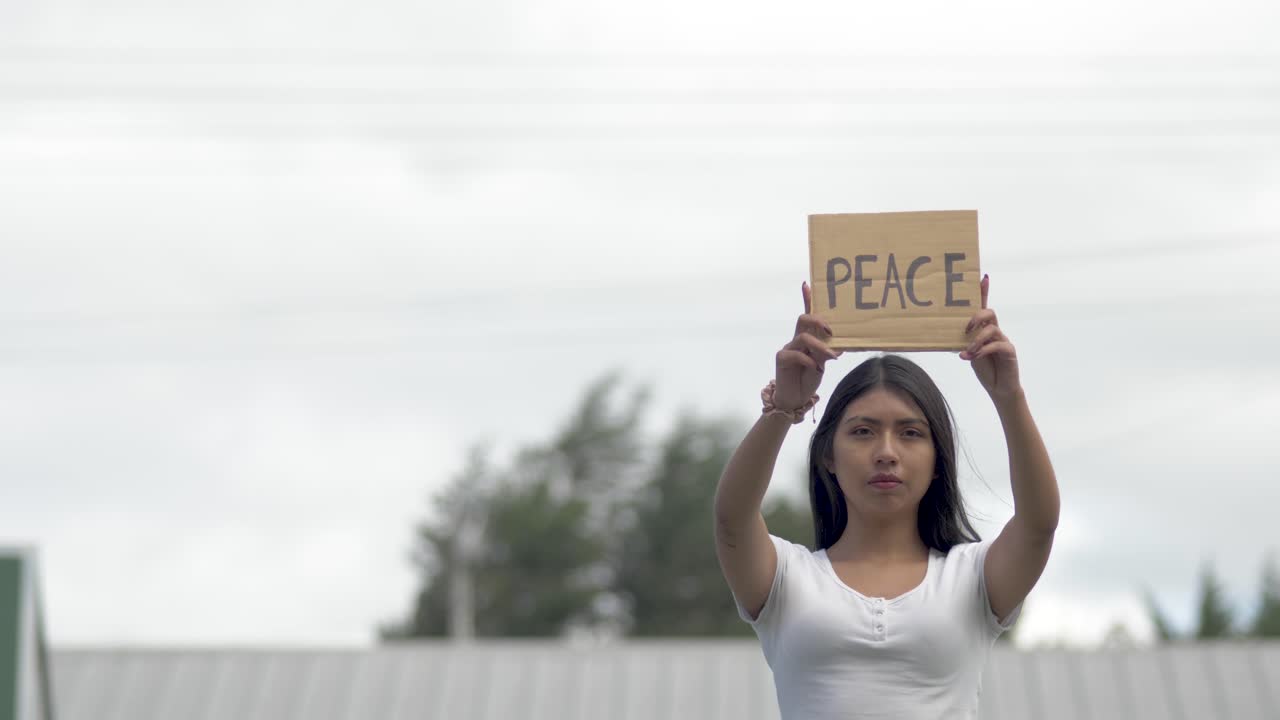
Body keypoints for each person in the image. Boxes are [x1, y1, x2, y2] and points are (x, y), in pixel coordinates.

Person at [713, 275, 1059, 719]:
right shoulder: (786, 578)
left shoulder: (971, 578)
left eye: (911, 433)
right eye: (862, 432)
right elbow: (732, 519)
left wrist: (1008, 395)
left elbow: (1038, 524)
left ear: (938, 461)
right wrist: (784, 407)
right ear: (828, 457)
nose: (886, 453)